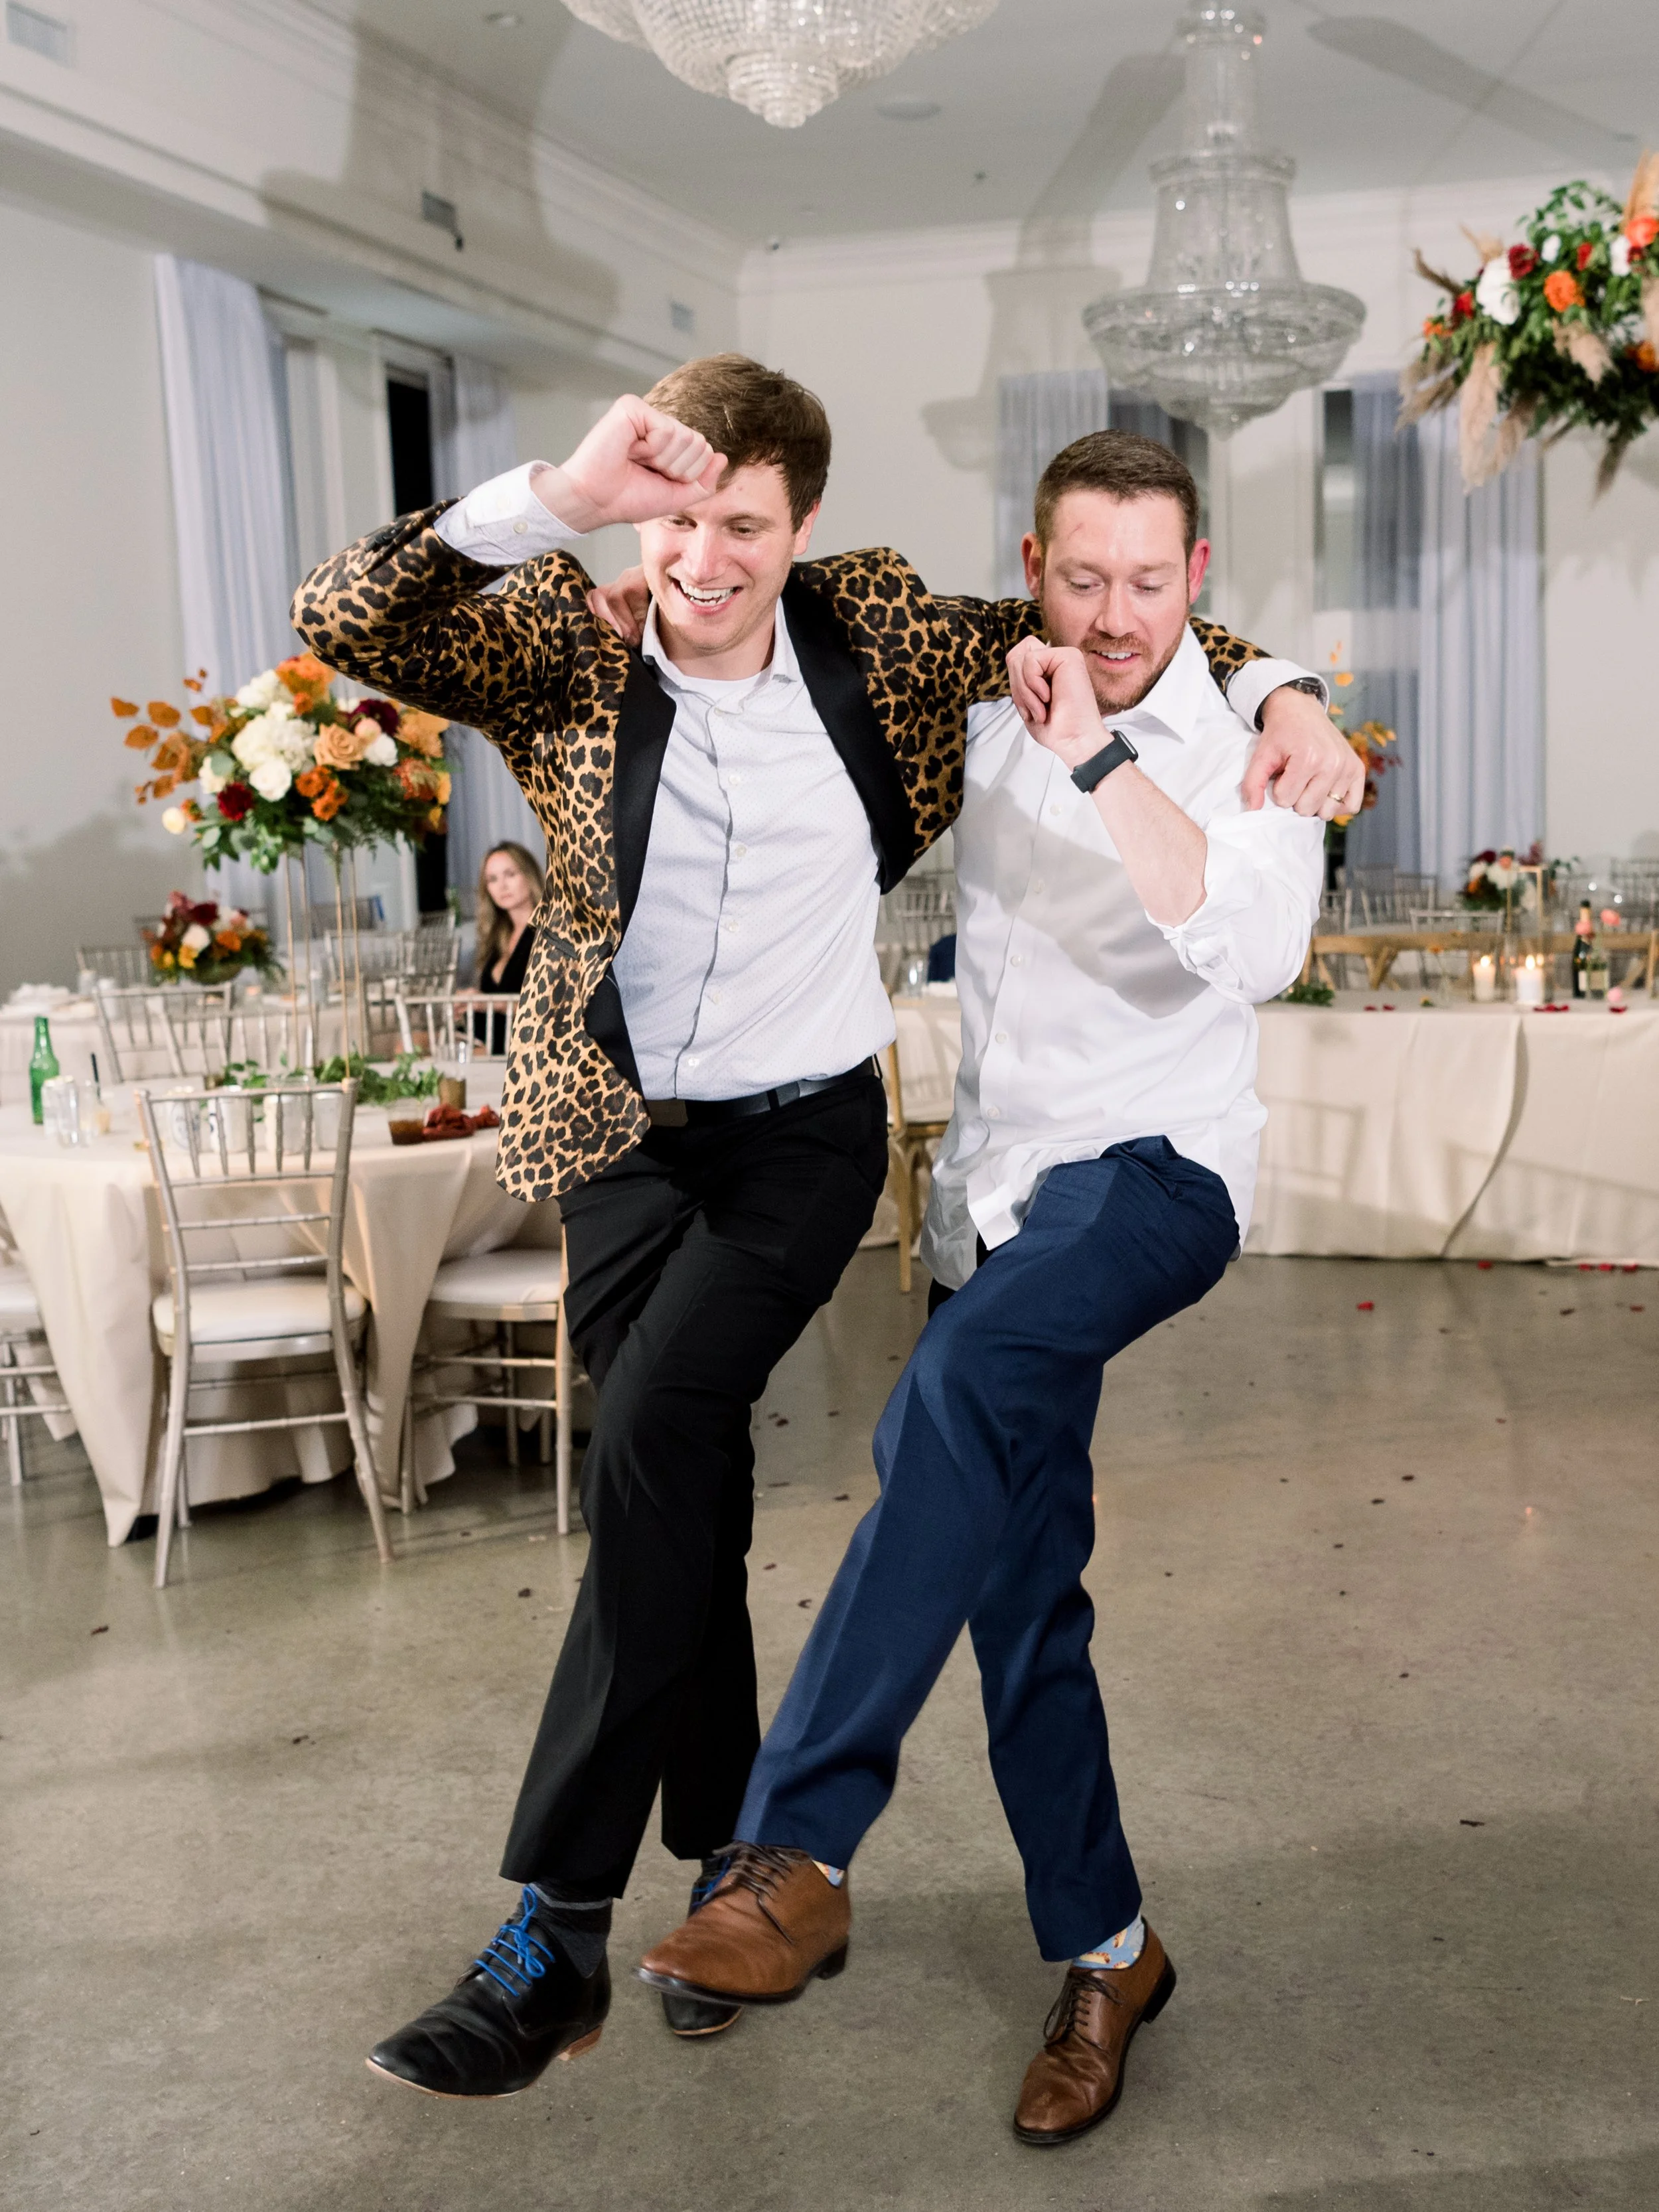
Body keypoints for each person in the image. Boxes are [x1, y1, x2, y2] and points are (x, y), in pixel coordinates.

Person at [290, 358, 1356, 2101]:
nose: (705, 556)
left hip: (945, 1156)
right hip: (649, 1140)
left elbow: (1168, 719)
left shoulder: (943, 664)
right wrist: (551, 497)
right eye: (678, 516)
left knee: (738, 1431)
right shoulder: (599, 642)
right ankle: (1016, 1931)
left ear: (797, 533)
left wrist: (1296, 692)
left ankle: (627, 1907)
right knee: (746, 1519)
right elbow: (351, 611)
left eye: (746, 524)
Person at [637, 429, 1326, 2148]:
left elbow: (1249, 949)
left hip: (1157, 1175)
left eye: (1147, 582)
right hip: (992, 1202)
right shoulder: (979, 688)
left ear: (1199, 581)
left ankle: (790, 1848)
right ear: (1032, 564)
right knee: (1020, 1593)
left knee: (939, 1395)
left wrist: (1194, 724)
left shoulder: (1253, 749)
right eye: (1078, 576)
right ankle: (1110, 1949)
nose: (1110, 616)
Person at [463, 840, 543, 1051]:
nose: (502, 886)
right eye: (492, 879)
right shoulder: (498, 937)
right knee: (407, 1044)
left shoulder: (548, 933)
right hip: (487, 1042)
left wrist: (492, 1003)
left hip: (527, 1050)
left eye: (510, 874)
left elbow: (555, 1009)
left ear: (529, 875)